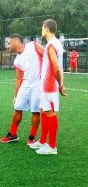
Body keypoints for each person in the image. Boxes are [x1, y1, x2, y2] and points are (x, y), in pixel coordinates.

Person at [29, 19, 67, 155]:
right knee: (44, 110)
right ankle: (43, 141)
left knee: (49, 112)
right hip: (47, 83)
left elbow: (56, 68)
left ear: (46, 29)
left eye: (42, 27)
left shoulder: (52, 45)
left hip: (49, 84)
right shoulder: (54, 44)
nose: (41, 30)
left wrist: (60, 84)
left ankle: (52, 146)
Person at [0, 35, 44, 144]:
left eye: (9, 43)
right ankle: (13, 134)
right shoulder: (17, 60)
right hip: (25, 84)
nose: (7, 46)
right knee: (17, 107)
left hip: (38, 84)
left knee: (35, 111)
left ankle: (32, 137)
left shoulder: (33, 46)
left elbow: (48, 57)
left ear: (15, 42)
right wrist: (15, 95)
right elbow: (19, 78)